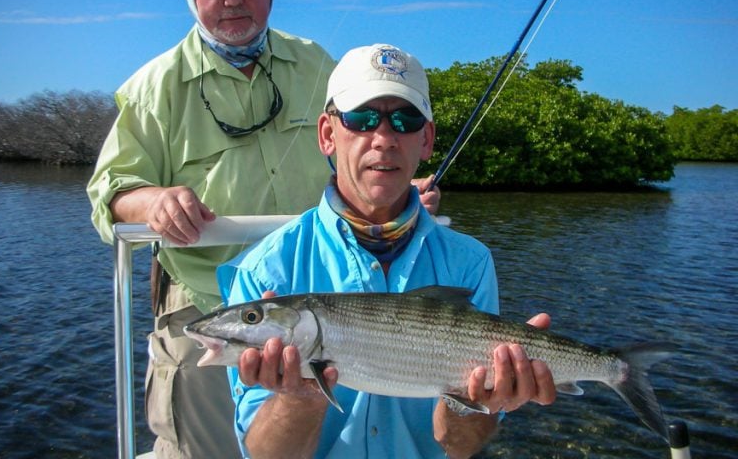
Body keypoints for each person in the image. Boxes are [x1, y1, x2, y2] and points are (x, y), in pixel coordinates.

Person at [86, 0, 438, 458]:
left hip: (324, 299)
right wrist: (152, 202)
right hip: (209, 303)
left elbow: (360, 148)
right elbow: (109, 194)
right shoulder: (152, 88)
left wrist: (394, 187)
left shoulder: (318, 64)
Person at [217, 43, 557, 459]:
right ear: (327, 134)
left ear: (427, 139)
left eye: (404, 119)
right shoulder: (265, 271)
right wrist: (299, 398)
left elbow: (460, 447)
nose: (383, 139)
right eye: (361, 119)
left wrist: (480, 401)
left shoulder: (471, 262)